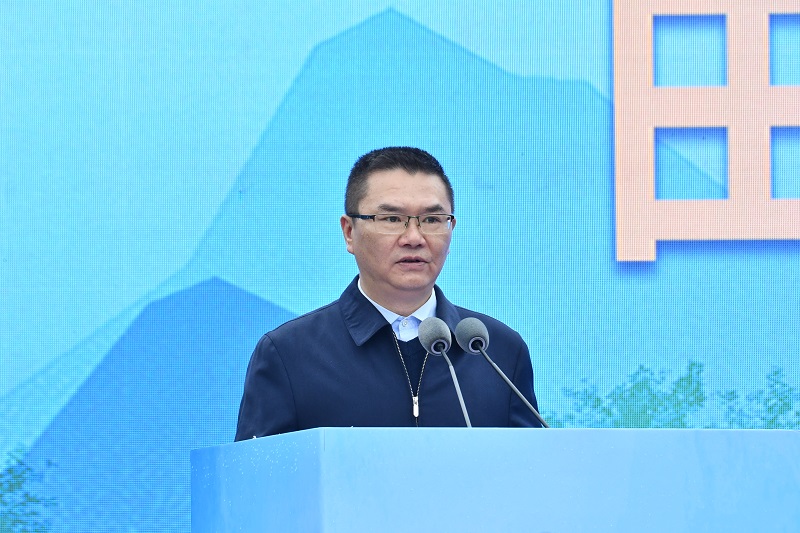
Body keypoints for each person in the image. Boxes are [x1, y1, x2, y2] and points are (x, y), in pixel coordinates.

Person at [235, 147, 542, 440]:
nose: (414, 238)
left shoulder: (496, 351)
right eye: (392, 219)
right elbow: (257, 475)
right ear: (349, 232)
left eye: (432, 220)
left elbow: (532, 469)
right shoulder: (290, 354)